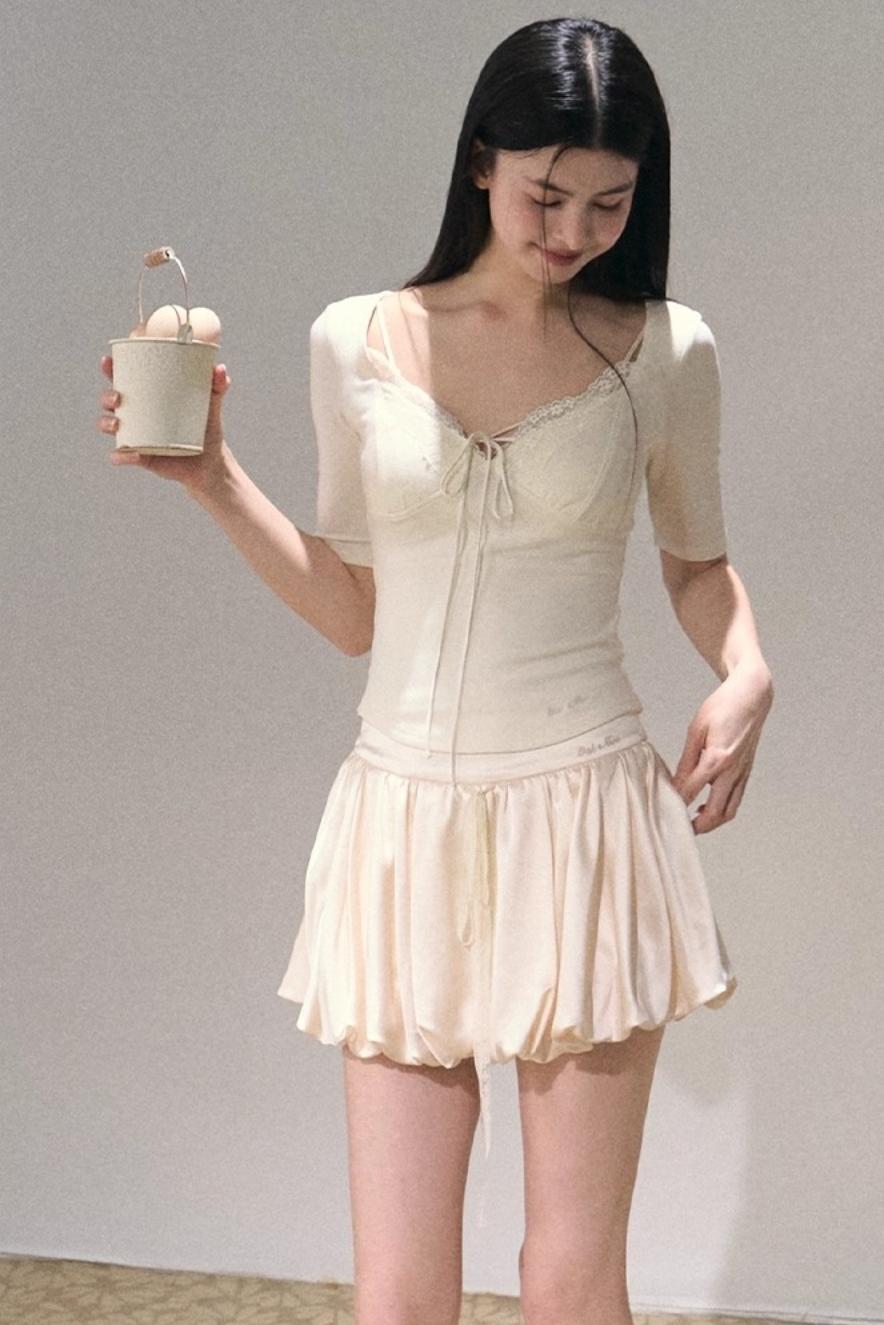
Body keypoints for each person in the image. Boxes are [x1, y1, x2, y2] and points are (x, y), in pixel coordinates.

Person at [97, 15, 774, 1325]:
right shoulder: (353, 338)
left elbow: (701, 564)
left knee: (569, 1279)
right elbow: (353, 609)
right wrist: (211, 475)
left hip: (586, 821)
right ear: (480, 162)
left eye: (609, 203)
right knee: (400, 1295)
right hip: (400, 822)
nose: (573, 230)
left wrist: (749, 669)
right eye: (546, 195)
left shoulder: (665, 349)